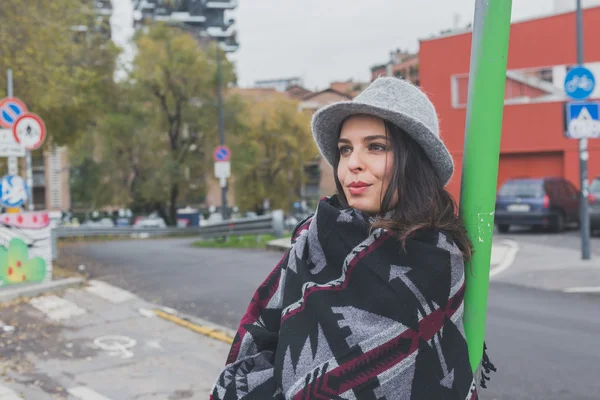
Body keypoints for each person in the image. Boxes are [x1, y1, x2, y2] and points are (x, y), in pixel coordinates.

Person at [210, 77, 494, 399]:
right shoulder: (311, 244)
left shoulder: (442, 259)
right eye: (345, 149)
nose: (352, 165)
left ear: (414, 160)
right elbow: (257, 346)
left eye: (376, 147)